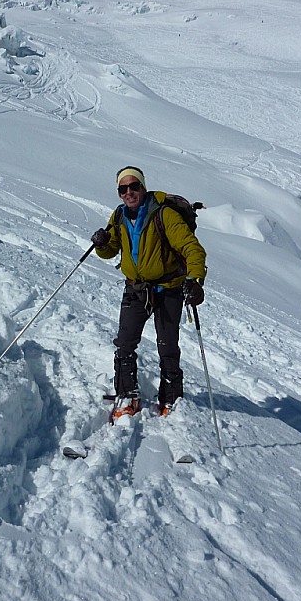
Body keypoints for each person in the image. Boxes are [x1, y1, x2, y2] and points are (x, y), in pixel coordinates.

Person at [92, 166, 207, 419]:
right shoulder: (119, 215)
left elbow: (192, 248)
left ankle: (171, 398)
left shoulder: (163, 215)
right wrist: (101, 244)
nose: (129, 192)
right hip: (136, 288)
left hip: (168, 289)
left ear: (143, 187)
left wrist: (196, 279)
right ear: (119, 193)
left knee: (167, 346)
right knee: (124, 344)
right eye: (123, 189)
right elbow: (111, 250)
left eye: (134, 187)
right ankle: (126, 394)